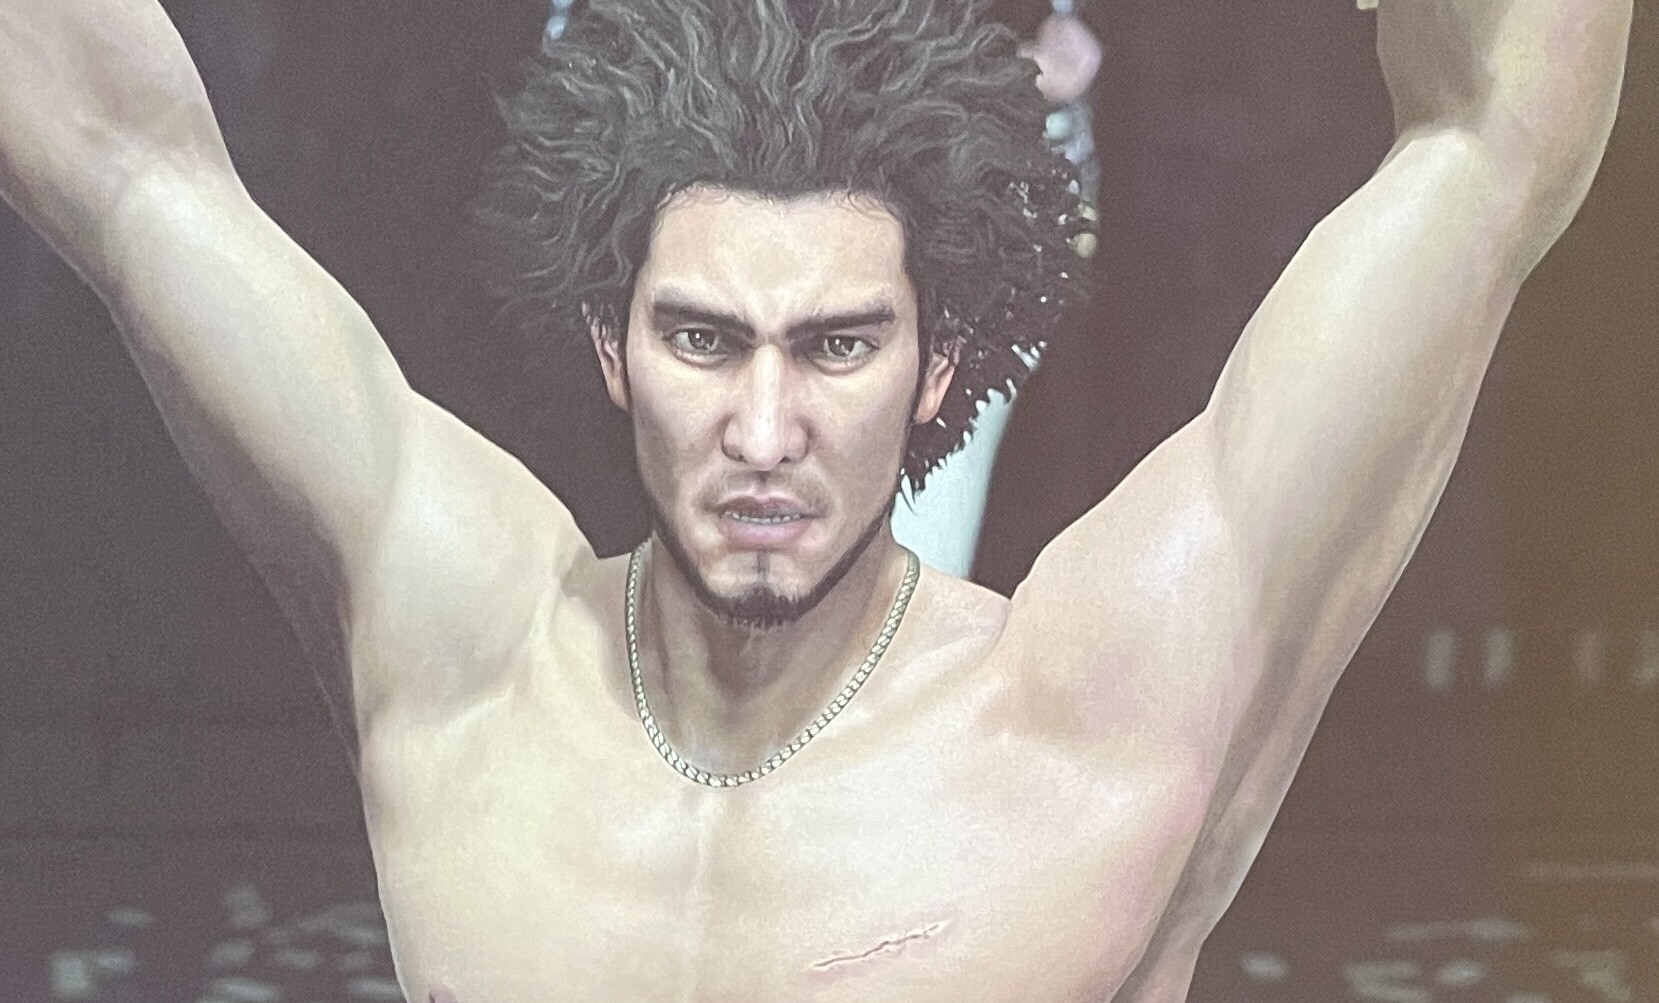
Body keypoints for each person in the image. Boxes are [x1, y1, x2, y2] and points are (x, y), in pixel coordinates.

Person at [0, 0, 1632, 1000]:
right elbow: (123, 160)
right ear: (615, 346)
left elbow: (1492, 144)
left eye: (837, 345)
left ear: (936, 368)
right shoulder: (466, 642)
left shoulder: (1093, 698)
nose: (765, 430)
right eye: (704, 340)